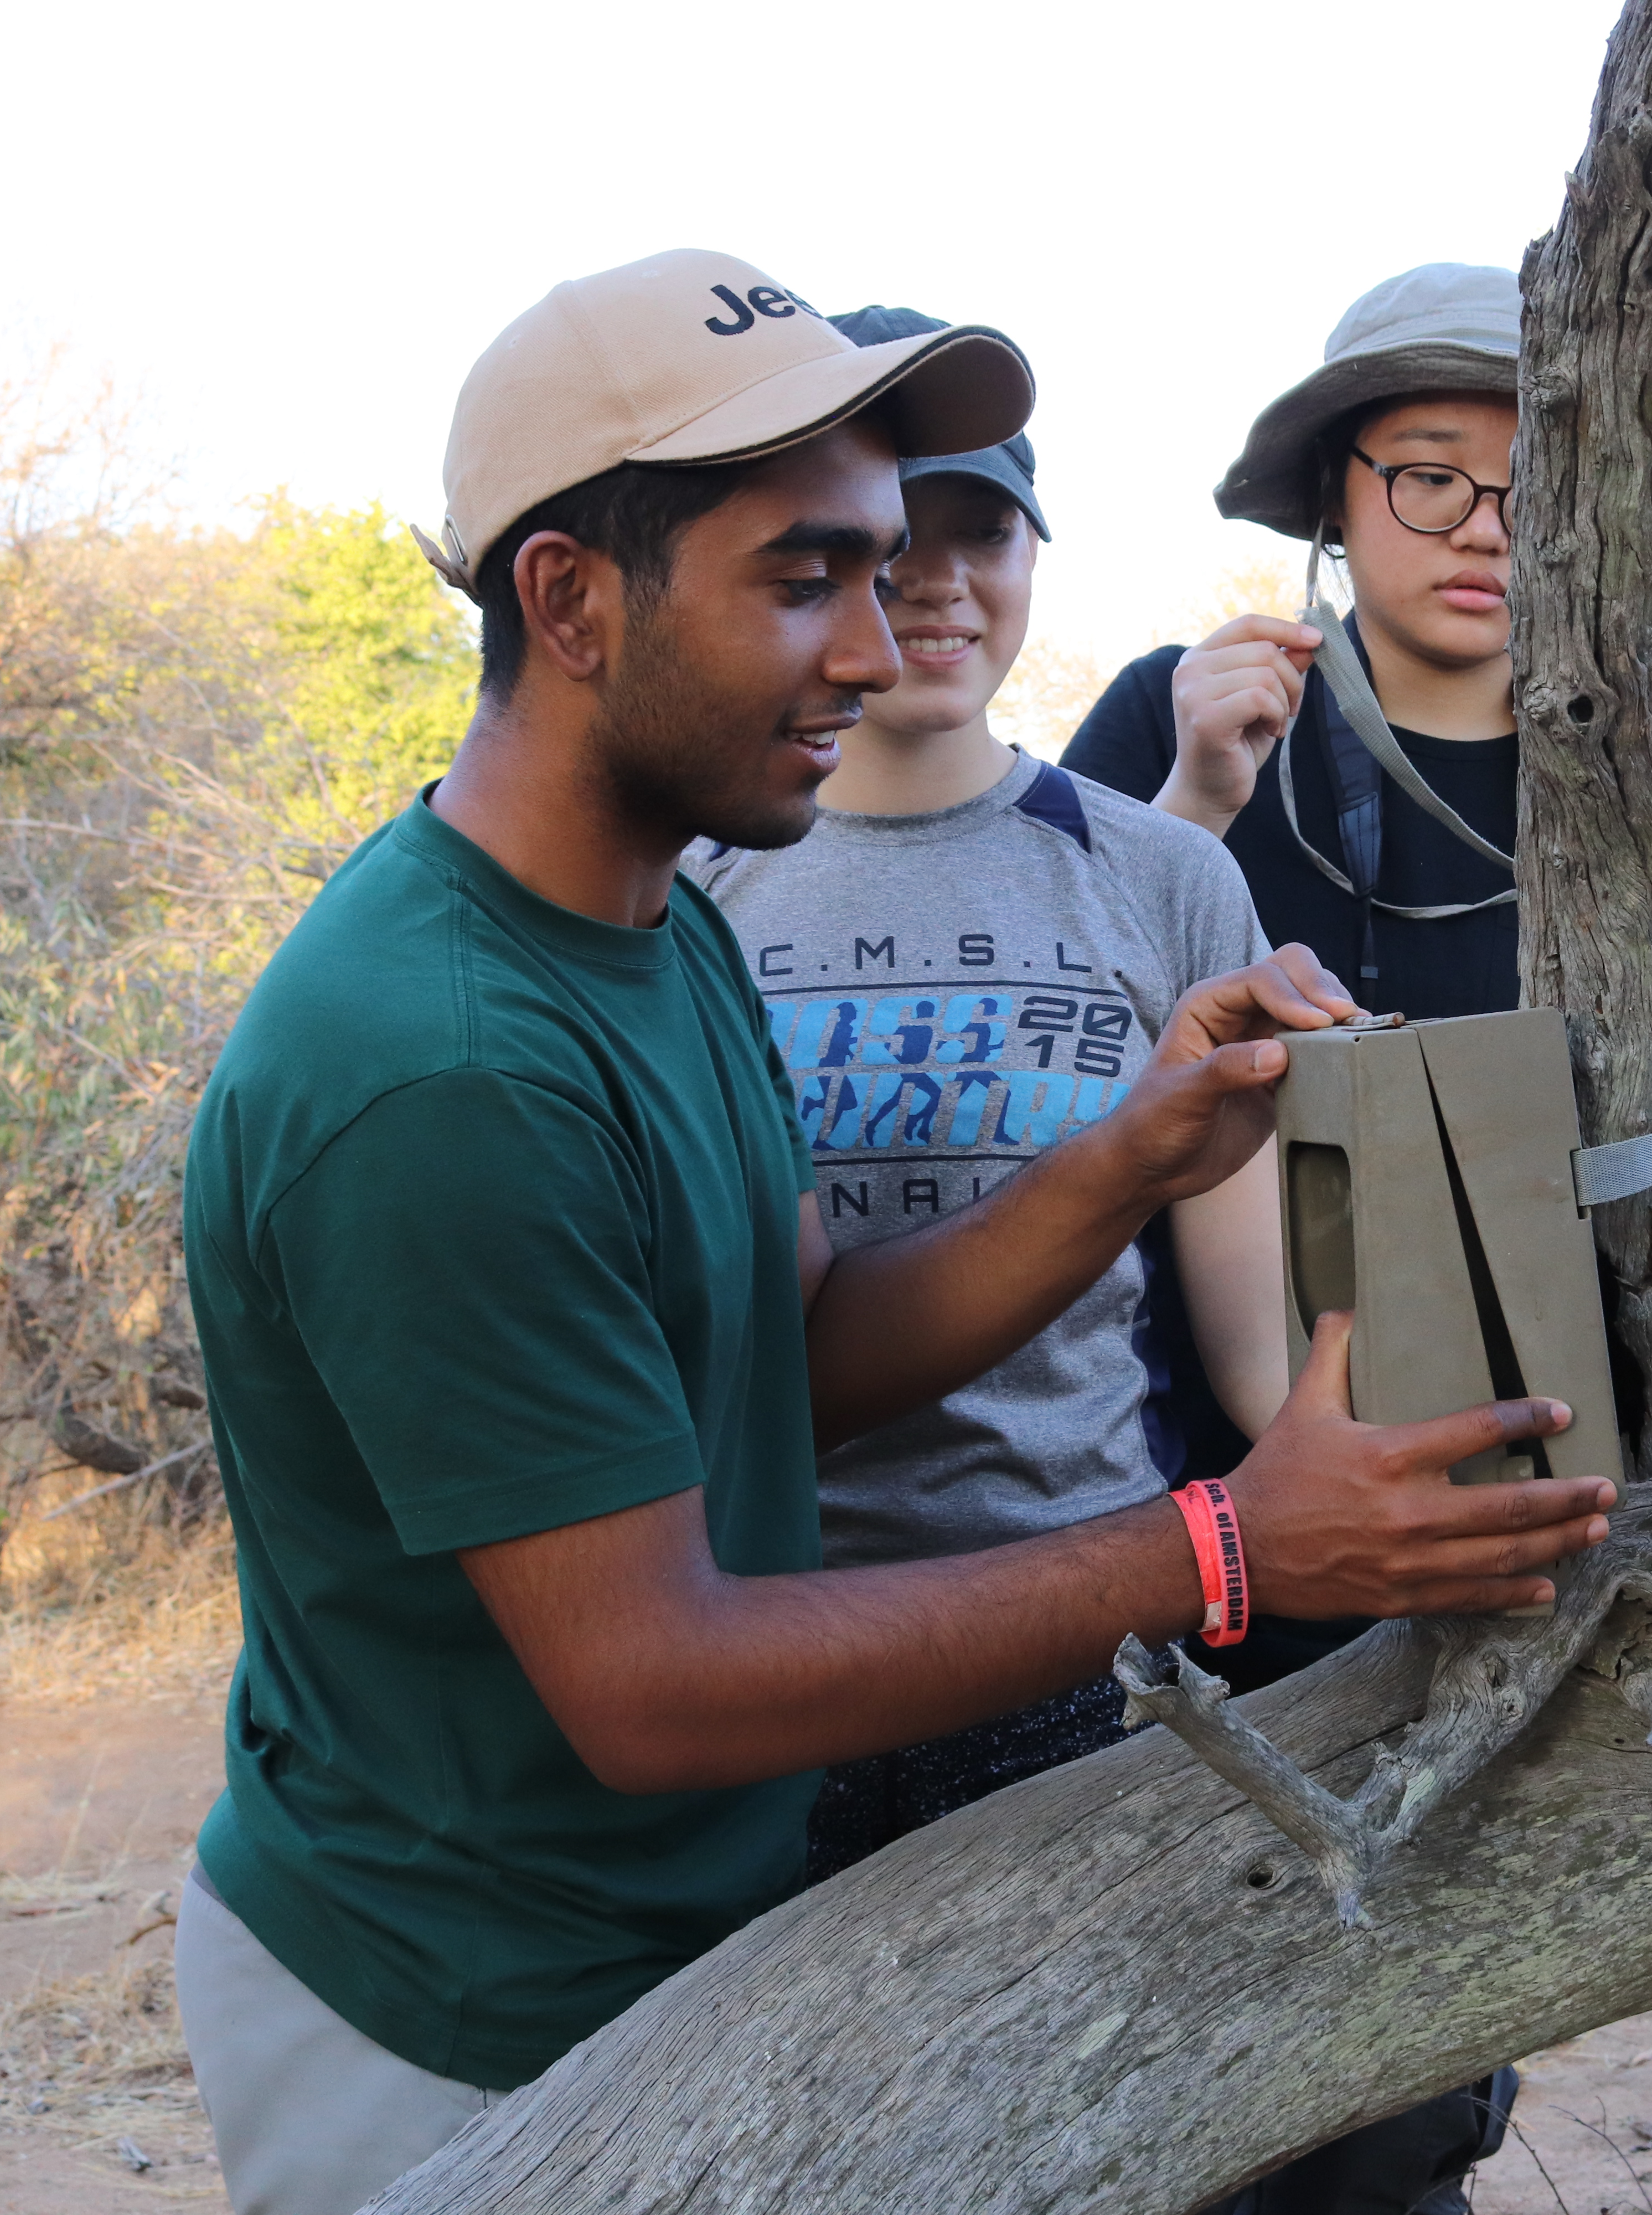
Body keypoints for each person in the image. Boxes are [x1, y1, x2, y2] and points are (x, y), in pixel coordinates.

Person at [170, 249, 1617, 2215]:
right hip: (456, 2001)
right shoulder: (444, 1070)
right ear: (569, 599)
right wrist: (1225, 1545)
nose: (872, 647)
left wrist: (1129, 1156)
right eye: (801, 580)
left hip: (690, 1929)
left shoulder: (653, 925)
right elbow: (656, 1683)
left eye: (883, 570)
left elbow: (805, 1362)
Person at [1065, 261, 1652, 2215]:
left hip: (1517, 1502)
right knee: (1166, 2017)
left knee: (1401, 2061)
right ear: (1335, 500)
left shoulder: (1640, 789)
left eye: (1535, 489)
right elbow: (1064, 1098)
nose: (1483, 530)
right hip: (1206, 1497)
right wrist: (1188, 794)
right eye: (1430, 477)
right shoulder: (1188, 721)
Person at [688, 303, 1288, 1882]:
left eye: (986, 532)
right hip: (765, 1639)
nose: (939, 584)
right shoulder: (682, 882)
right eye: (893, 542)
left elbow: (1255, 1343)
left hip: (1075, 1631)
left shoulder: (1165, 878)